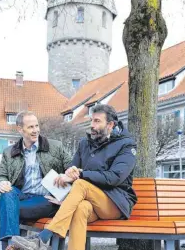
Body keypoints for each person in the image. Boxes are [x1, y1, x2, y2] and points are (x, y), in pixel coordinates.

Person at [11, 104, 138, 250]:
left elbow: (115, 177)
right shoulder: (85, 143)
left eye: (97, 121)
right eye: (91, 120)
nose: (92, 125)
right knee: (80, 209)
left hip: (115, 202)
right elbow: (72, 170)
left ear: (110, 124)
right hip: (87, 202)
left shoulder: (126, 145)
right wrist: (65, 192)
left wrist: (80, 174)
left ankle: (43, 238)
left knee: (81, 183)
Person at [0, 111, 71, 250]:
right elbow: (2, 175)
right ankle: (14, 244)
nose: (36, 130)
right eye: (31, 127)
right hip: (22, 195)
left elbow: (72, 168)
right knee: (7, 194)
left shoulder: (56, 146)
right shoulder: (9, 152)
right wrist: (1, 183)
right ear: (20, 129)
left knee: (6, 208)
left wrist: (66, 176)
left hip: (45, 198)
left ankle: (9, 245)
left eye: (37, 126)